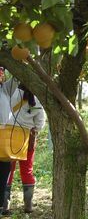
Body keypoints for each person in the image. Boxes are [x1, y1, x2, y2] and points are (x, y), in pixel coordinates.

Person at [2, 84, 45, 215]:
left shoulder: (10, 94)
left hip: (9, 138)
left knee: (8, 171)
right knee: (27, 170)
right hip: (27, 140)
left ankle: (5, 205)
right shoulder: (37, 100)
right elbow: (40, 124)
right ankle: (28, 205)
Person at [0, 67, 19, 216]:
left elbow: (17, 77)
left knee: (4, 171)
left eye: (1, 70)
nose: (0, 73)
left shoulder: (5, 89)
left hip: (3, 136)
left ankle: (1, 204)